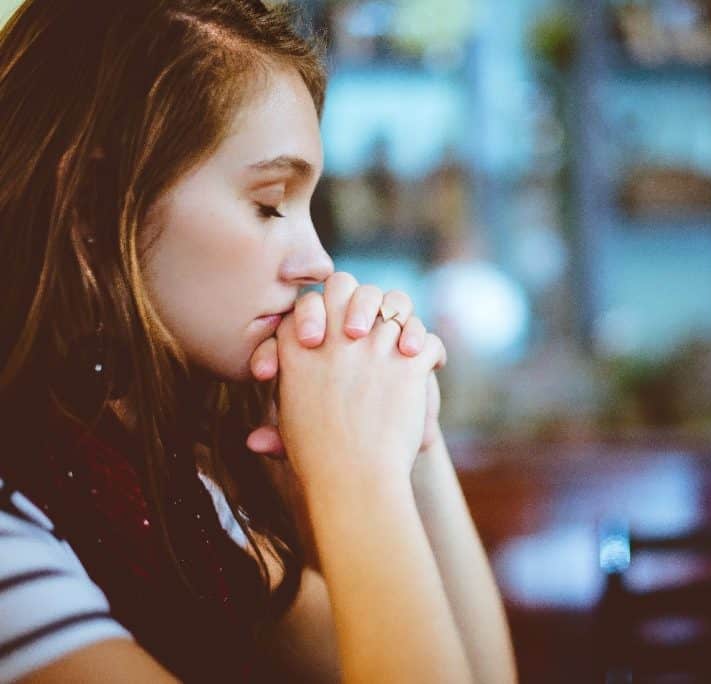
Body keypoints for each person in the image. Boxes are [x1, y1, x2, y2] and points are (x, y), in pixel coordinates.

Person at [0, 1, 516, 682]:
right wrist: (354, 476)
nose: (320, 263)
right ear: (96, 206)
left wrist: (409, 439)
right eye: (270, 202)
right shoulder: (17, 528)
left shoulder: (168, 490)